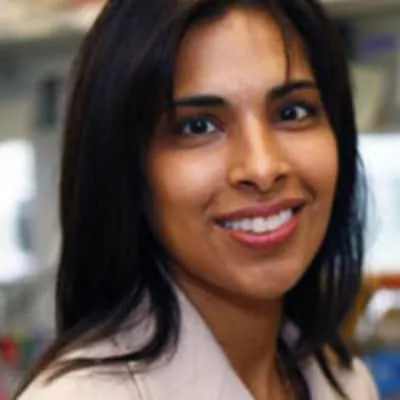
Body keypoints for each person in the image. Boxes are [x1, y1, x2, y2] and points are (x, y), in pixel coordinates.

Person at [17, 0, 378, 399]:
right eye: (198, 126)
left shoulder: (344, 382)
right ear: (126, 168)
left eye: (292, 112)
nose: (262, 168)